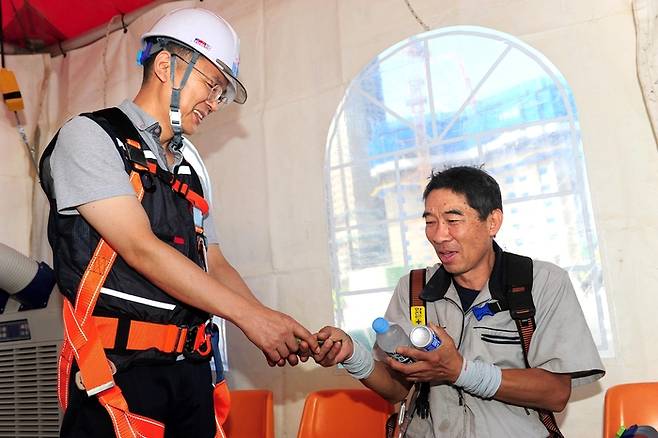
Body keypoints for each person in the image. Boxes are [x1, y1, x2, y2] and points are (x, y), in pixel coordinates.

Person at [38, 7, 317, 438]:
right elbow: (139, 247)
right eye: (211, 85)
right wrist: (250, 318)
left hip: (191, 373)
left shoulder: (191, 165)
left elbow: (215, 261)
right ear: (167, 66)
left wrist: (267, 320)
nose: (215, 103)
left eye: (222, 94)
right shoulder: (90, 137)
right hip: (118, 371)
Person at [312, 165, 605, 437]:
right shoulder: (413, 290)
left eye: (453, 220)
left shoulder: (541, 283)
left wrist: (460, 370)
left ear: (492, 221)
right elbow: (397, 390)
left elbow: (555, 393)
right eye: (430, 222)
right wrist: (352, 355)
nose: (439, 235)